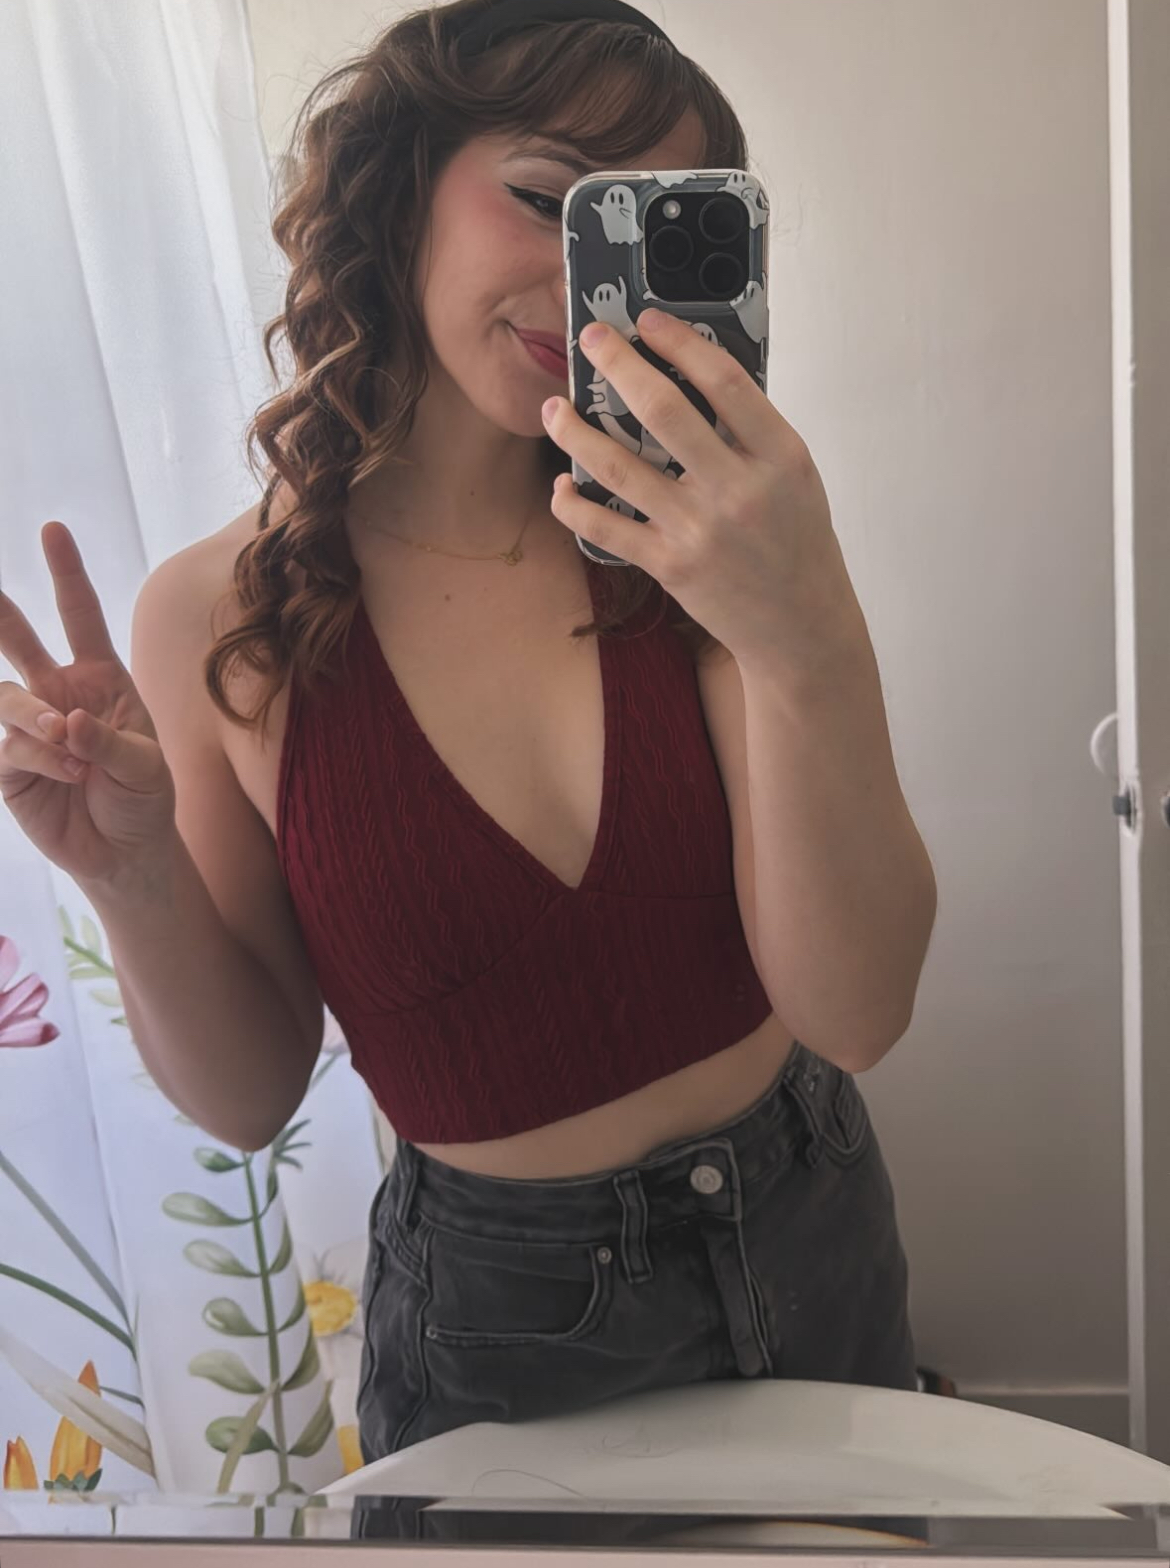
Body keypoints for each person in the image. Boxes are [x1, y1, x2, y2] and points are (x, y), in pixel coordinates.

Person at [0, 0, 937, 1472]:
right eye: (545, 198)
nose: (583, 285)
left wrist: (808, 632)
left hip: (810, 1226)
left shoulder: (700, 546)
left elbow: (857, 1011)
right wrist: (127, 875)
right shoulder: (222, 616)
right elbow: (247, 1098)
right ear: (401, 190)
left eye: (631, 233)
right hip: (500, 1323)